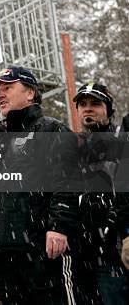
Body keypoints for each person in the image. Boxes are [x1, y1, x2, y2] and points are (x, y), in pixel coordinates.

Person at [0, 66, 81, 304]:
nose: (0, 94)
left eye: (8, 87)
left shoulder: (51, 130)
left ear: (30, 93)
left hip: (44, 250)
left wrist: (59, 226)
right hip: (6, 255)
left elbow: (67, 181)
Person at [73, 82, 129, 304]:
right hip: (84, 252)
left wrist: (125, 230)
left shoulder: (121, 140)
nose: (88, 108)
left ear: (108, 109)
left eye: (95, 103)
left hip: (116, 247)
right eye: (83, 104)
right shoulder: (73, 147)